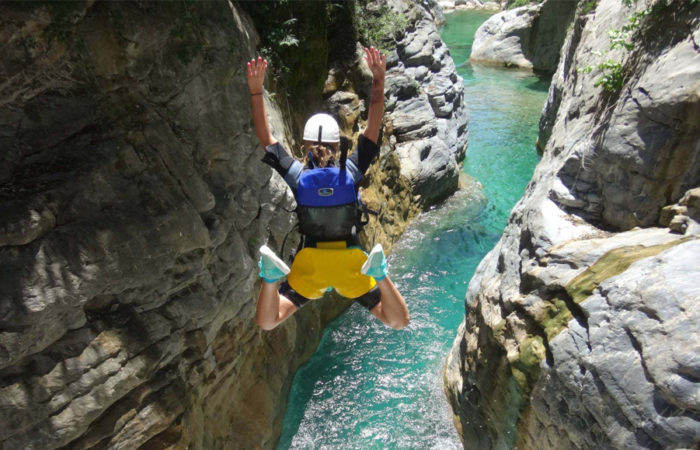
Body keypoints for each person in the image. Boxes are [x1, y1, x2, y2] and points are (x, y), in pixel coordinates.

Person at [246, 47, 409, 331]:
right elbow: (373, 128)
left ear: (304, 144)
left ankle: (271, 279)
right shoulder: (352, 171)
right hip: (352, 262)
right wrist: (378, 79)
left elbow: (266, 138)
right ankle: (380, 274)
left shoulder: (298, 176)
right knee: (397, 320)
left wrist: (256, 91)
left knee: (268, 322)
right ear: (338, 145)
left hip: (311, 264)